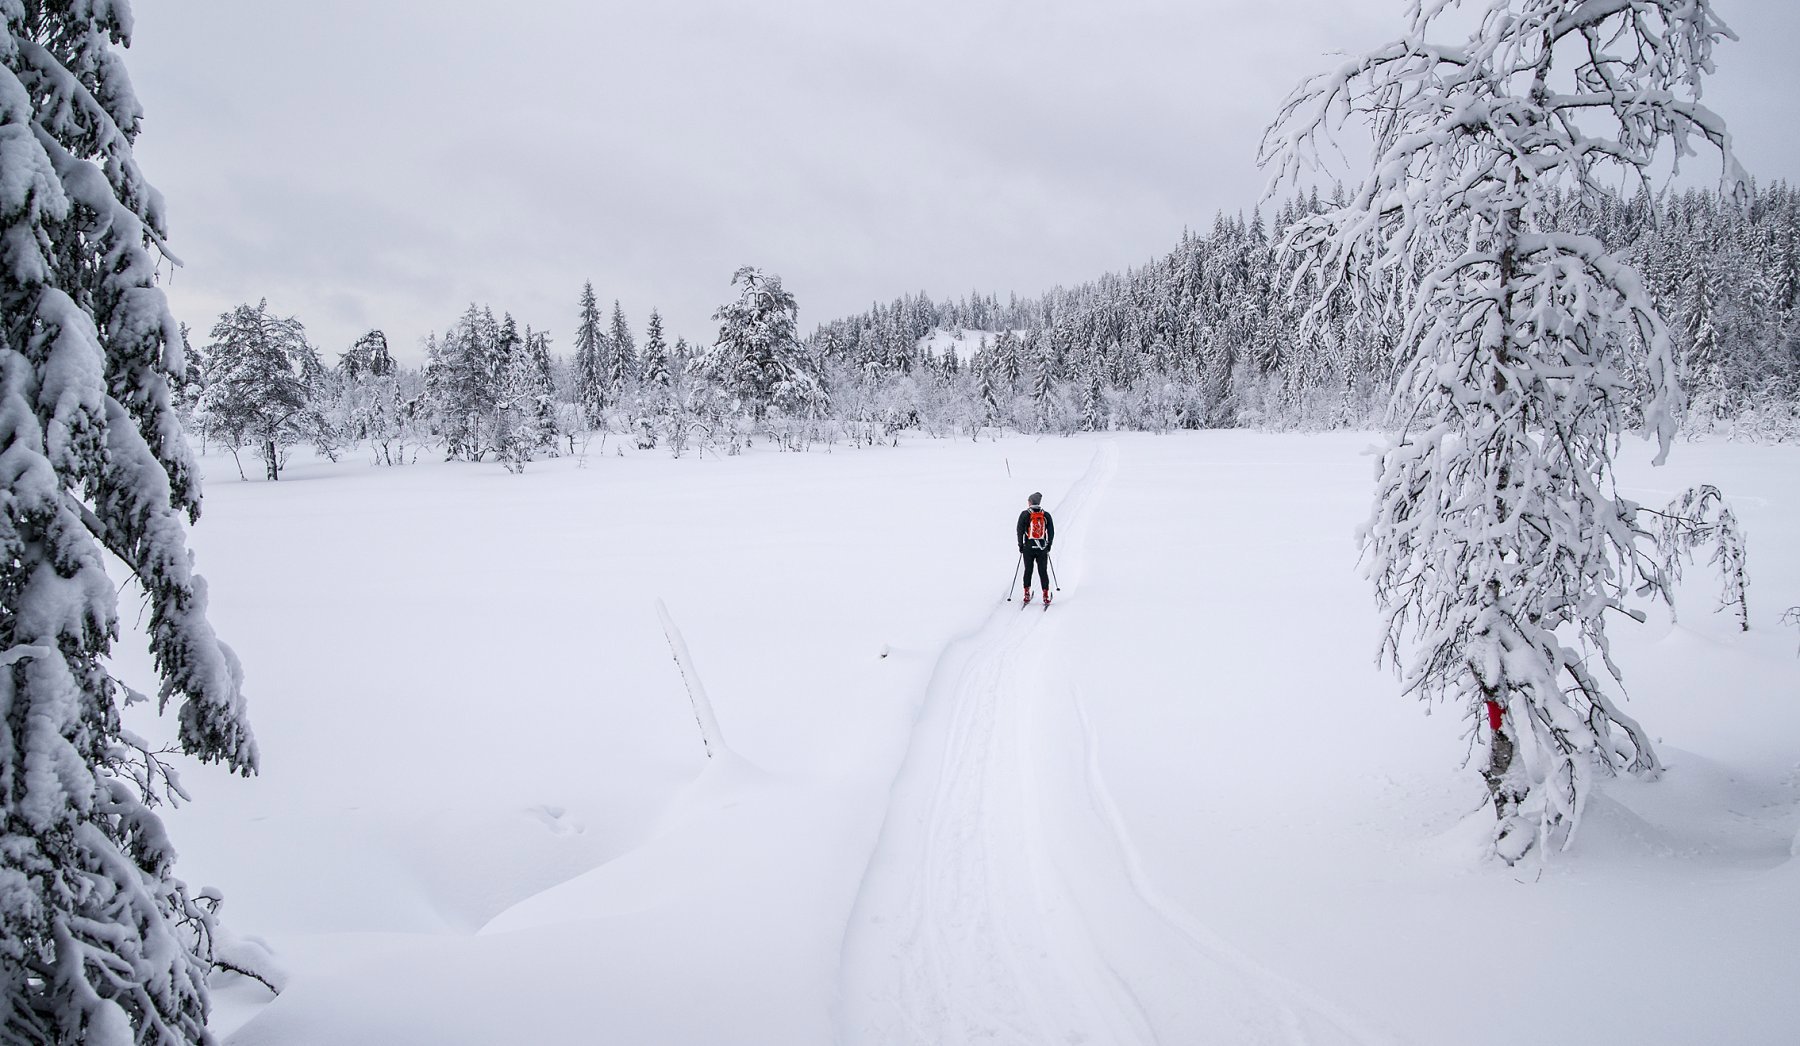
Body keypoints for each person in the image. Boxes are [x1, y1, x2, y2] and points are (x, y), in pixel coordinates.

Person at [1016, 492, 1054, 606]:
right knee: (1043, 570)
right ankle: (1046, 595)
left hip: (1028, 547)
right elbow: (1051, 531)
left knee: (1028, 569)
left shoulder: (1024, 514)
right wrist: (1049, 545)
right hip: (1042, 548)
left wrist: (1021, 545)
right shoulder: (1046, 515)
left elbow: (1019, 530)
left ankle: (1026, 593)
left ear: (1031, 502)